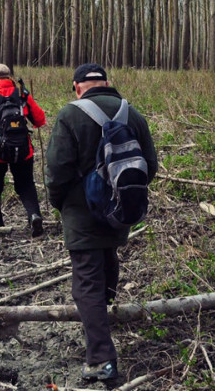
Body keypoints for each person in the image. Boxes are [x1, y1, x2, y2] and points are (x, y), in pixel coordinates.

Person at [44, 63, 158, 384]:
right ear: (107, 83)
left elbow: (57, 172)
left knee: (87, 284)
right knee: (107, 259)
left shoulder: (70, 114)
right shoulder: (131, 113)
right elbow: (150, 166)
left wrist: (61, 204)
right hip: (120, 209)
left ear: (78, 87)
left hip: (81, 213)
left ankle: (101, 360)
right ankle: (103, 317)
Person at [0, 63, 47, 236]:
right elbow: (40, 119)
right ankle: (34, 215)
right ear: (9, 77)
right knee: (26, 185)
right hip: (22, 149)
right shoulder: (22, 95)